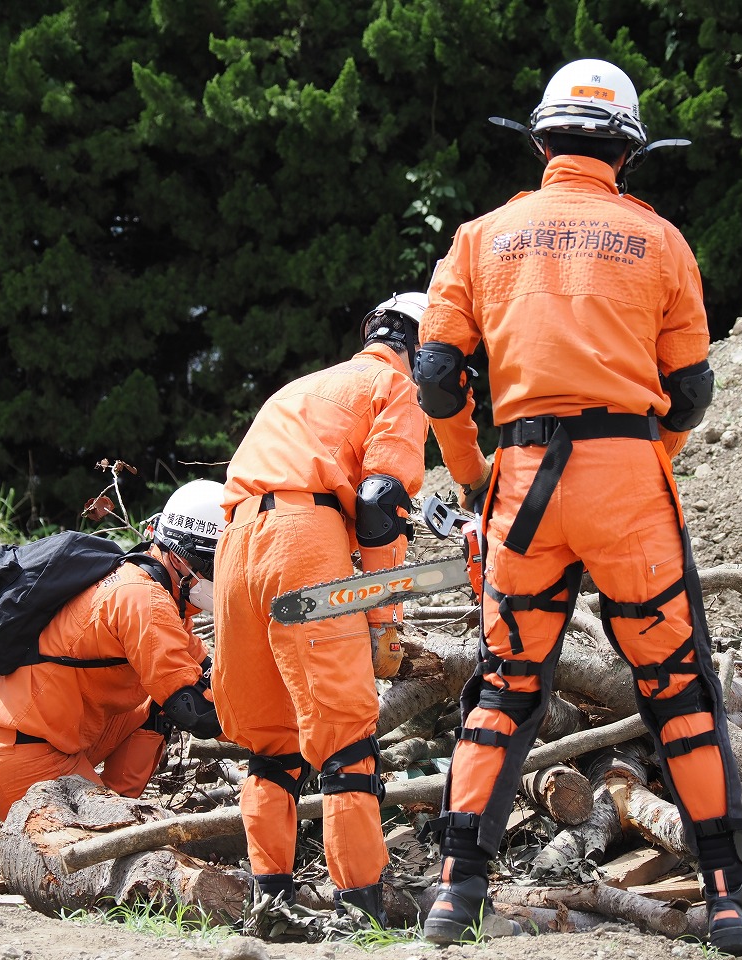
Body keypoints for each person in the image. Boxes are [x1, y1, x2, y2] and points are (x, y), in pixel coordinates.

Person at [413, 59, 742, 955]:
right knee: (683, 694)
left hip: (523, 486)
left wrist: (472, 474)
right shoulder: (660, 241)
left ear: (541, 142)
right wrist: (642, 461)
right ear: (627, 150)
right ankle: (728, 902)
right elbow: (687, 394)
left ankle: (455, 896)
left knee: (503, 690)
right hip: (627, 486)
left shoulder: (478, 238)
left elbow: (434, 377)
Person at [212, 293, 428, 927]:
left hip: (235, 547)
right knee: (344, 733)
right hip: (303, 542)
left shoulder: (300, 388)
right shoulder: (397, 387)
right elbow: (379, 503)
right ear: (420, 346)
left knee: (271, 742)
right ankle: (361, 901)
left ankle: (268, 894)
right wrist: (384, 621)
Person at [0, 480, 226, 879]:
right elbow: (196, 710)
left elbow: (207, 676)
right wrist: (278, 740)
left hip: (49, 737)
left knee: (155, 708)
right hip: (21, 755)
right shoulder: (143, 600)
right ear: (185, 558)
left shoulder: (151, 588)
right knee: (108, 863)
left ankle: (113, 806)